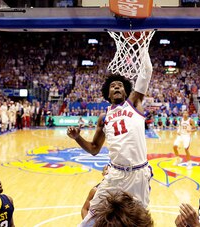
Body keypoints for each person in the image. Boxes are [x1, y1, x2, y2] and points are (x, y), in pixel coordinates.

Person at [67, 50, 153, 226]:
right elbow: (93, 149)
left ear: (126, 90)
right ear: (108, 93)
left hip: (138, 173)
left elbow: (146, 72)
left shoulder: (134, 103)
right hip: (114, 174)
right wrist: (77, 137)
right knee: (90, 218)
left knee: (139, 221)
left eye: (120, 85)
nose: (116, 87)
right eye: (113, 85)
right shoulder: (103, 117)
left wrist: (143, 46)